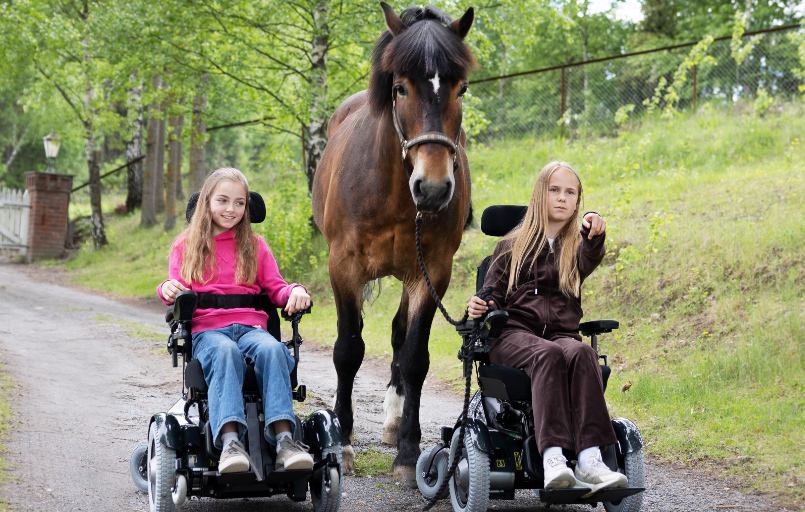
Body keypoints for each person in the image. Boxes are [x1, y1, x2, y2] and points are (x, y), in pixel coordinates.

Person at [467, 161, 627, 495]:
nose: (562, 198)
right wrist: (481, 306)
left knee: (582, 352)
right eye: (554, 190)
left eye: (570, 192)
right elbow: (491, 296)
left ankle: (590, 459)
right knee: (550, 353)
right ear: (541, 194)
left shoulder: (575, 249)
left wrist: (595, 229)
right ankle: (553, 459)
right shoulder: (512, 245)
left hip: (561, 335)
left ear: (578, 200)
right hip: (513, 336)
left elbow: (591, 253)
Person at [157, 167, 313, 474]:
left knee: (272, 350)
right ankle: (230, 443)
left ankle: (284, 441)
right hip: (208, 331)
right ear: (207, 203)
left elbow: (277, 288)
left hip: (251, 328)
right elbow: (173, 291)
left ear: (247, 207)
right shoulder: (185, 246)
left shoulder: (255, 245)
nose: (231, 209)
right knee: (225, 353)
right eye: (223, 201)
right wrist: (166, 288)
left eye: (240, 203)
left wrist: (296, 290)